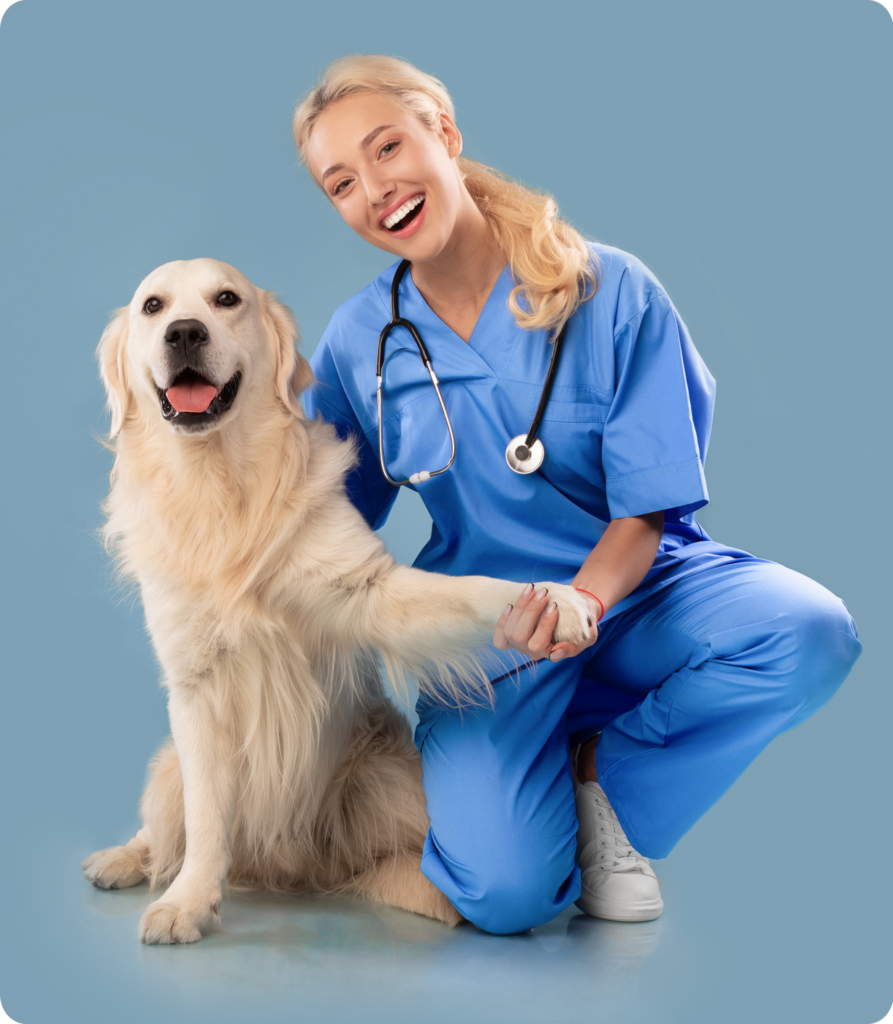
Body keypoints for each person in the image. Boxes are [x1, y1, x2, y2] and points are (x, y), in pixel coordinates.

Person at [292, 55, 861, 935]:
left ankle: (600, 776)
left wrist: (583, 600)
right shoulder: (360, 340)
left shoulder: (610, 289)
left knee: (805, 630)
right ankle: (527, 785)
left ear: (443, 133)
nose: (376, 188)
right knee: (508, 898)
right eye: (341, 182)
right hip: (490, 633)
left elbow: (646, 508)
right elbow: (324, 518)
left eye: (388, 148)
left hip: (641, 594)